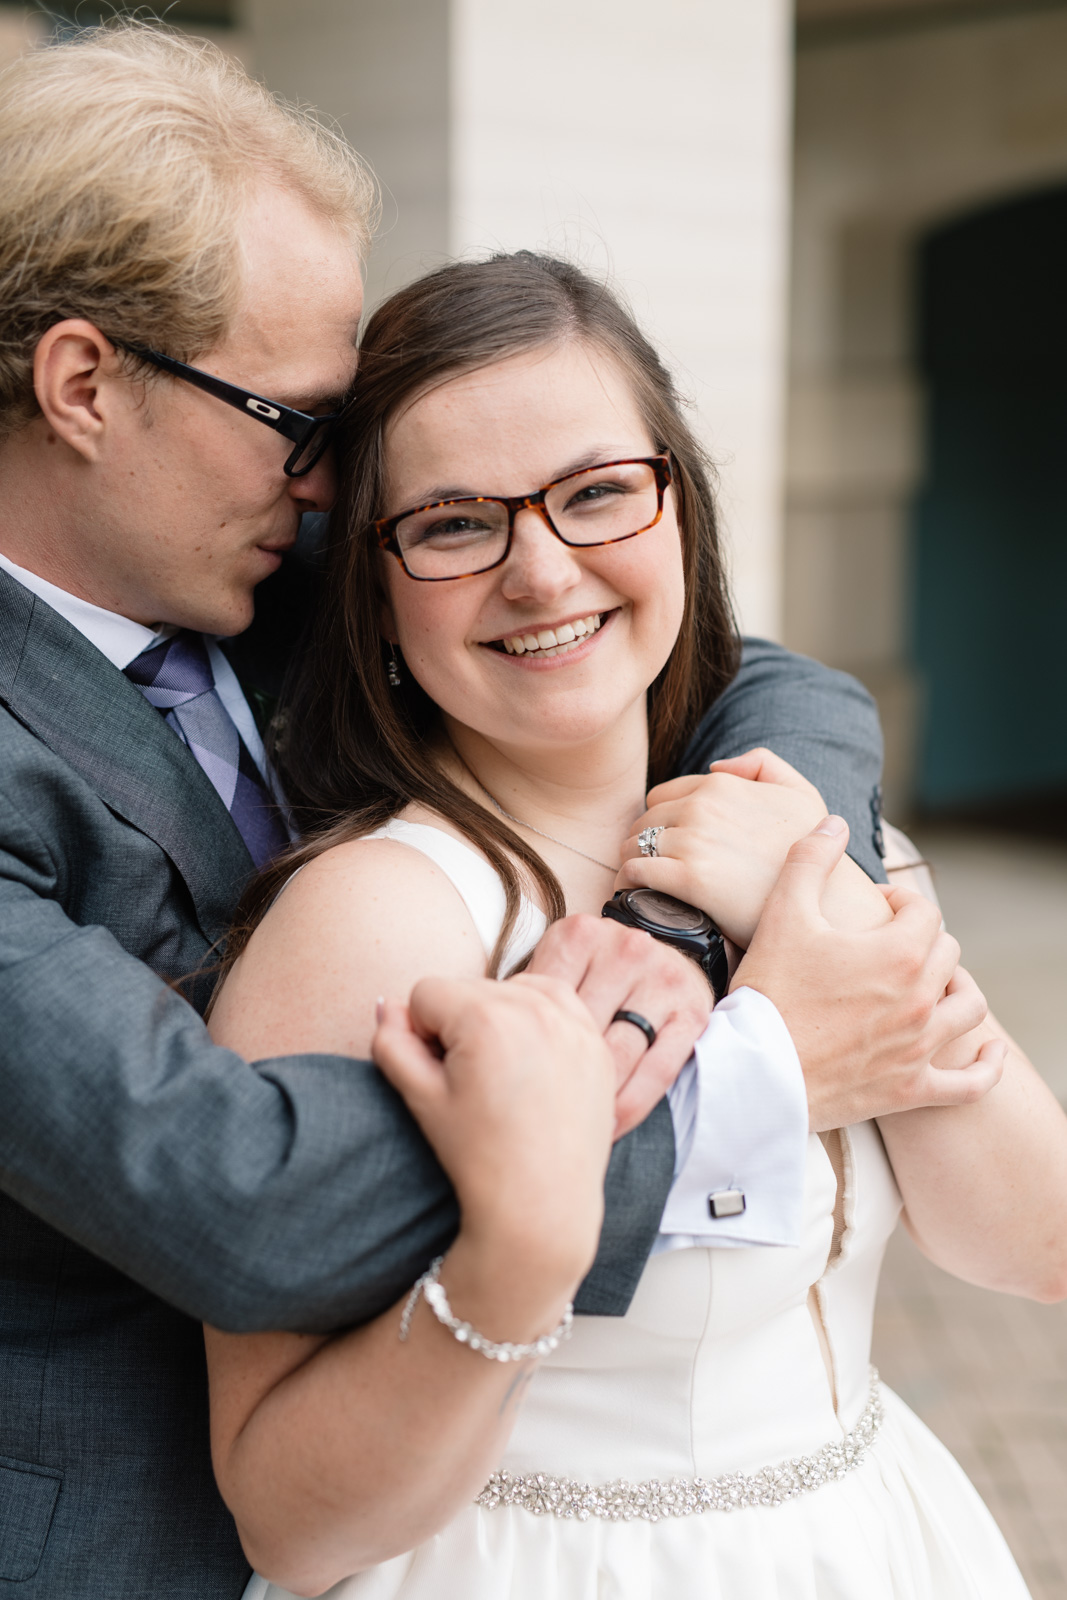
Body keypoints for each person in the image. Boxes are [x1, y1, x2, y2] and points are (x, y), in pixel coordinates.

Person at [0, 25, 1001, 1600]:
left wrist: (694, 904)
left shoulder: (254, 564)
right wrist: (762, 1057)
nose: (327, 485)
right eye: (294, 420)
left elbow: (732, 656)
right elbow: (239, 1194)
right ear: (81, 386)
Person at [202, 251, 1067, 1600]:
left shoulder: (804, 828)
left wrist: (823, 894)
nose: (542, 574)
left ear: (680, 512)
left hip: (868, 1545)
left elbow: (1036, 1242)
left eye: (599, 492)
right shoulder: (369, 921)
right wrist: (508, 1269)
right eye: (453, 524)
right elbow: (289, 1522)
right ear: (373, 589)